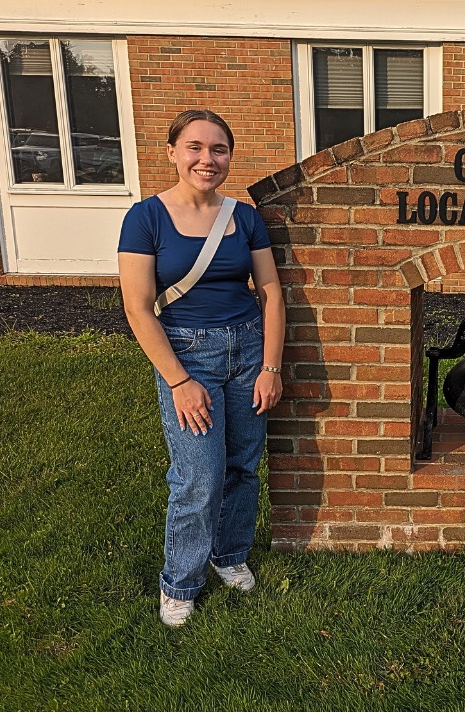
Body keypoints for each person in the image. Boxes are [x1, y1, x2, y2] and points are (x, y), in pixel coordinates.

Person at [118, 109, 285, 628]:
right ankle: (180, 582)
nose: (206, 159)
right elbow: (137, 308)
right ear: (172, 152)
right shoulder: (145, 218)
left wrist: (271, 366)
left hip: (248, 352)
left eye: (218, 149)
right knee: (198, 476)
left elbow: (271, 292)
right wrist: (180, 380)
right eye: (194, 147)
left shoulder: (244, 217)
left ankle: (229, 554)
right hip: (188, 355)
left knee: (242, 466)